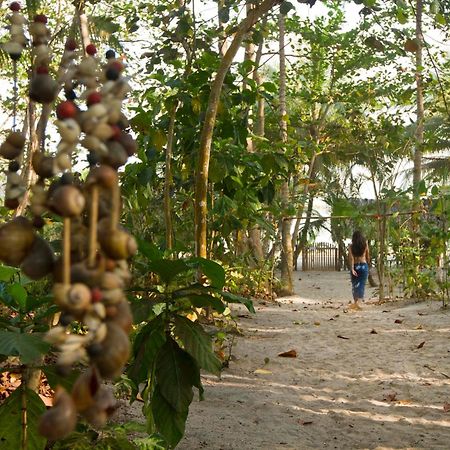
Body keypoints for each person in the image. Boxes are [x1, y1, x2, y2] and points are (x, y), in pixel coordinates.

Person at [348, 230, 370, 308]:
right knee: (362, 284)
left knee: (355, 285)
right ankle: (359, 302)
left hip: (355, 266)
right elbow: (367, 256)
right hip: (364, 265)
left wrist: (352, 269)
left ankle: (356, 301)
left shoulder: (351, 246)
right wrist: (368, 265)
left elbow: (351, 258)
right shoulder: (365, 244)